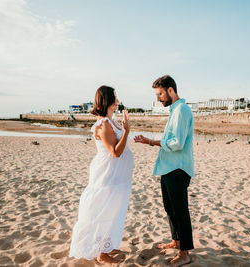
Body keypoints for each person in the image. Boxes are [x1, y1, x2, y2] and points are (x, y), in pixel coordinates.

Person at [134, 75, 194, 267]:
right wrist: (150, 141)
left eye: (160, 94)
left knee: (180, 211)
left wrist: (152, 142)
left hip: (178, 168)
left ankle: (185, 254)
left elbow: (177, 143)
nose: (158, 98)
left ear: (170, 90)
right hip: (168, 167)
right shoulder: (175, 110)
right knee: (170, 209)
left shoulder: (182, 110)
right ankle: (176, 241)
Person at [69, 85, 133, 264]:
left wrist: (124, 128)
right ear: (107, 101)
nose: (118, 100)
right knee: (102, 210)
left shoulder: (112, 121)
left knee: (112, 211)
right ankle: (100, 253)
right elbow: (115, 152)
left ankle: (105, 247)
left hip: (118, 177)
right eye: (115, 97)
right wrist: (127, 130)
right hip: (107, 175)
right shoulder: (103, 124)